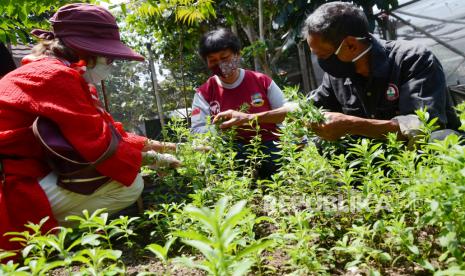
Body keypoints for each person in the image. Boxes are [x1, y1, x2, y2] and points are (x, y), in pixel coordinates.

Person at [0, 3, 180, 251]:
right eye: (110, 57)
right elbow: (99, 146)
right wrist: (152, 158)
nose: (111, 63)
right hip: (11, 186)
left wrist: (167, 147)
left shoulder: (53, 71)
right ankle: (51, 240)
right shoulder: (55, 76)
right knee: (129, 185)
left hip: (23, 172)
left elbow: (107, 131)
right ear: (86, 51)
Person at [303, 2, 461, 144]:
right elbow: (313, 105)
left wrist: (351, 125)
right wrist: (287, 111)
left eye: (322, 55)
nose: (321, 61)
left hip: (413, 156)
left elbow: (421, 126)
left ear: (351, 45)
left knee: (439, 139)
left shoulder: (412, 59)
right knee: (316, 143)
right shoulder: (337, 74)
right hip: (373, 162)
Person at [191, 28, 292, 179]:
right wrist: (219, 127)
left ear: (237, 54)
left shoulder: (262, 81)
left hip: (269, 144)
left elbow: (288, 112)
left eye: (224, 57)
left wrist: (249, 118)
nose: (220, 64)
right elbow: (197, 131)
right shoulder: (204, 93)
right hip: (231, 151)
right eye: (213, 60)